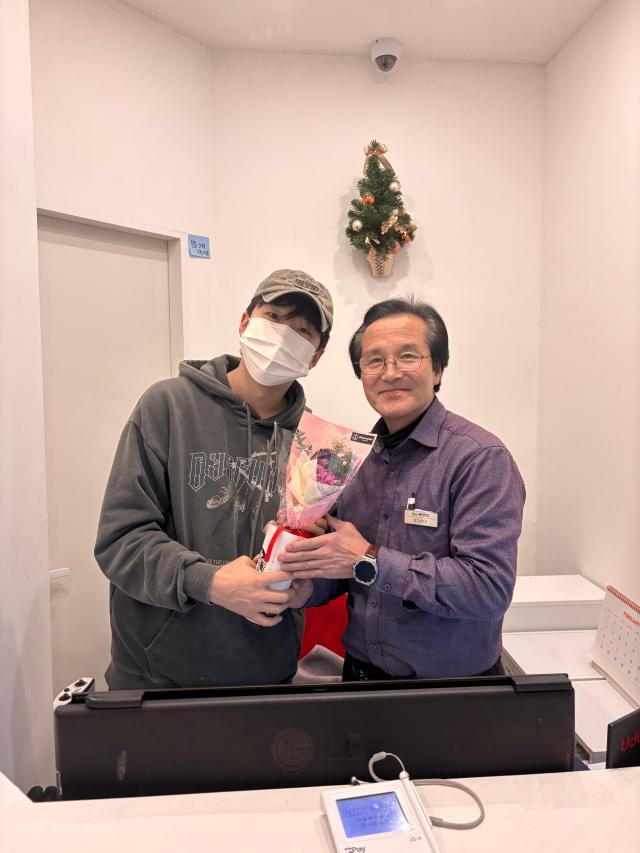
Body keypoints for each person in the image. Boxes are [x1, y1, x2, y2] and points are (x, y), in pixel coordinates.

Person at [94, 269, 332, 689]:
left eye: (302, 330)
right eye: (273, 317)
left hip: (265, 675)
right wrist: (210, 582)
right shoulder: (167, 406)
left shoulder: (315, 447)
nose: (283, 337)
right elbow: (120, 541)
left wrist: (310, 583)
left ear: (315, 356)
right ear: (245, 323)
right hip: (157, 677)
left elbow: (322, 562)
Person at [279, 296, 525, 681]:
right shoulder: (351, 458)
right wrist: (306, 589)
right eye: (374, 360)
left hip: (451, 694)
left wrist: (370, 559)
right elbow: (346, 570)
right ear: (361, 374)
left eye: (408, 357)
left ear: (438, 369)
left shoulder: (480, 458)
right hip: (360, 678)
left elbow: (488, 589)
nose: (390, 372)